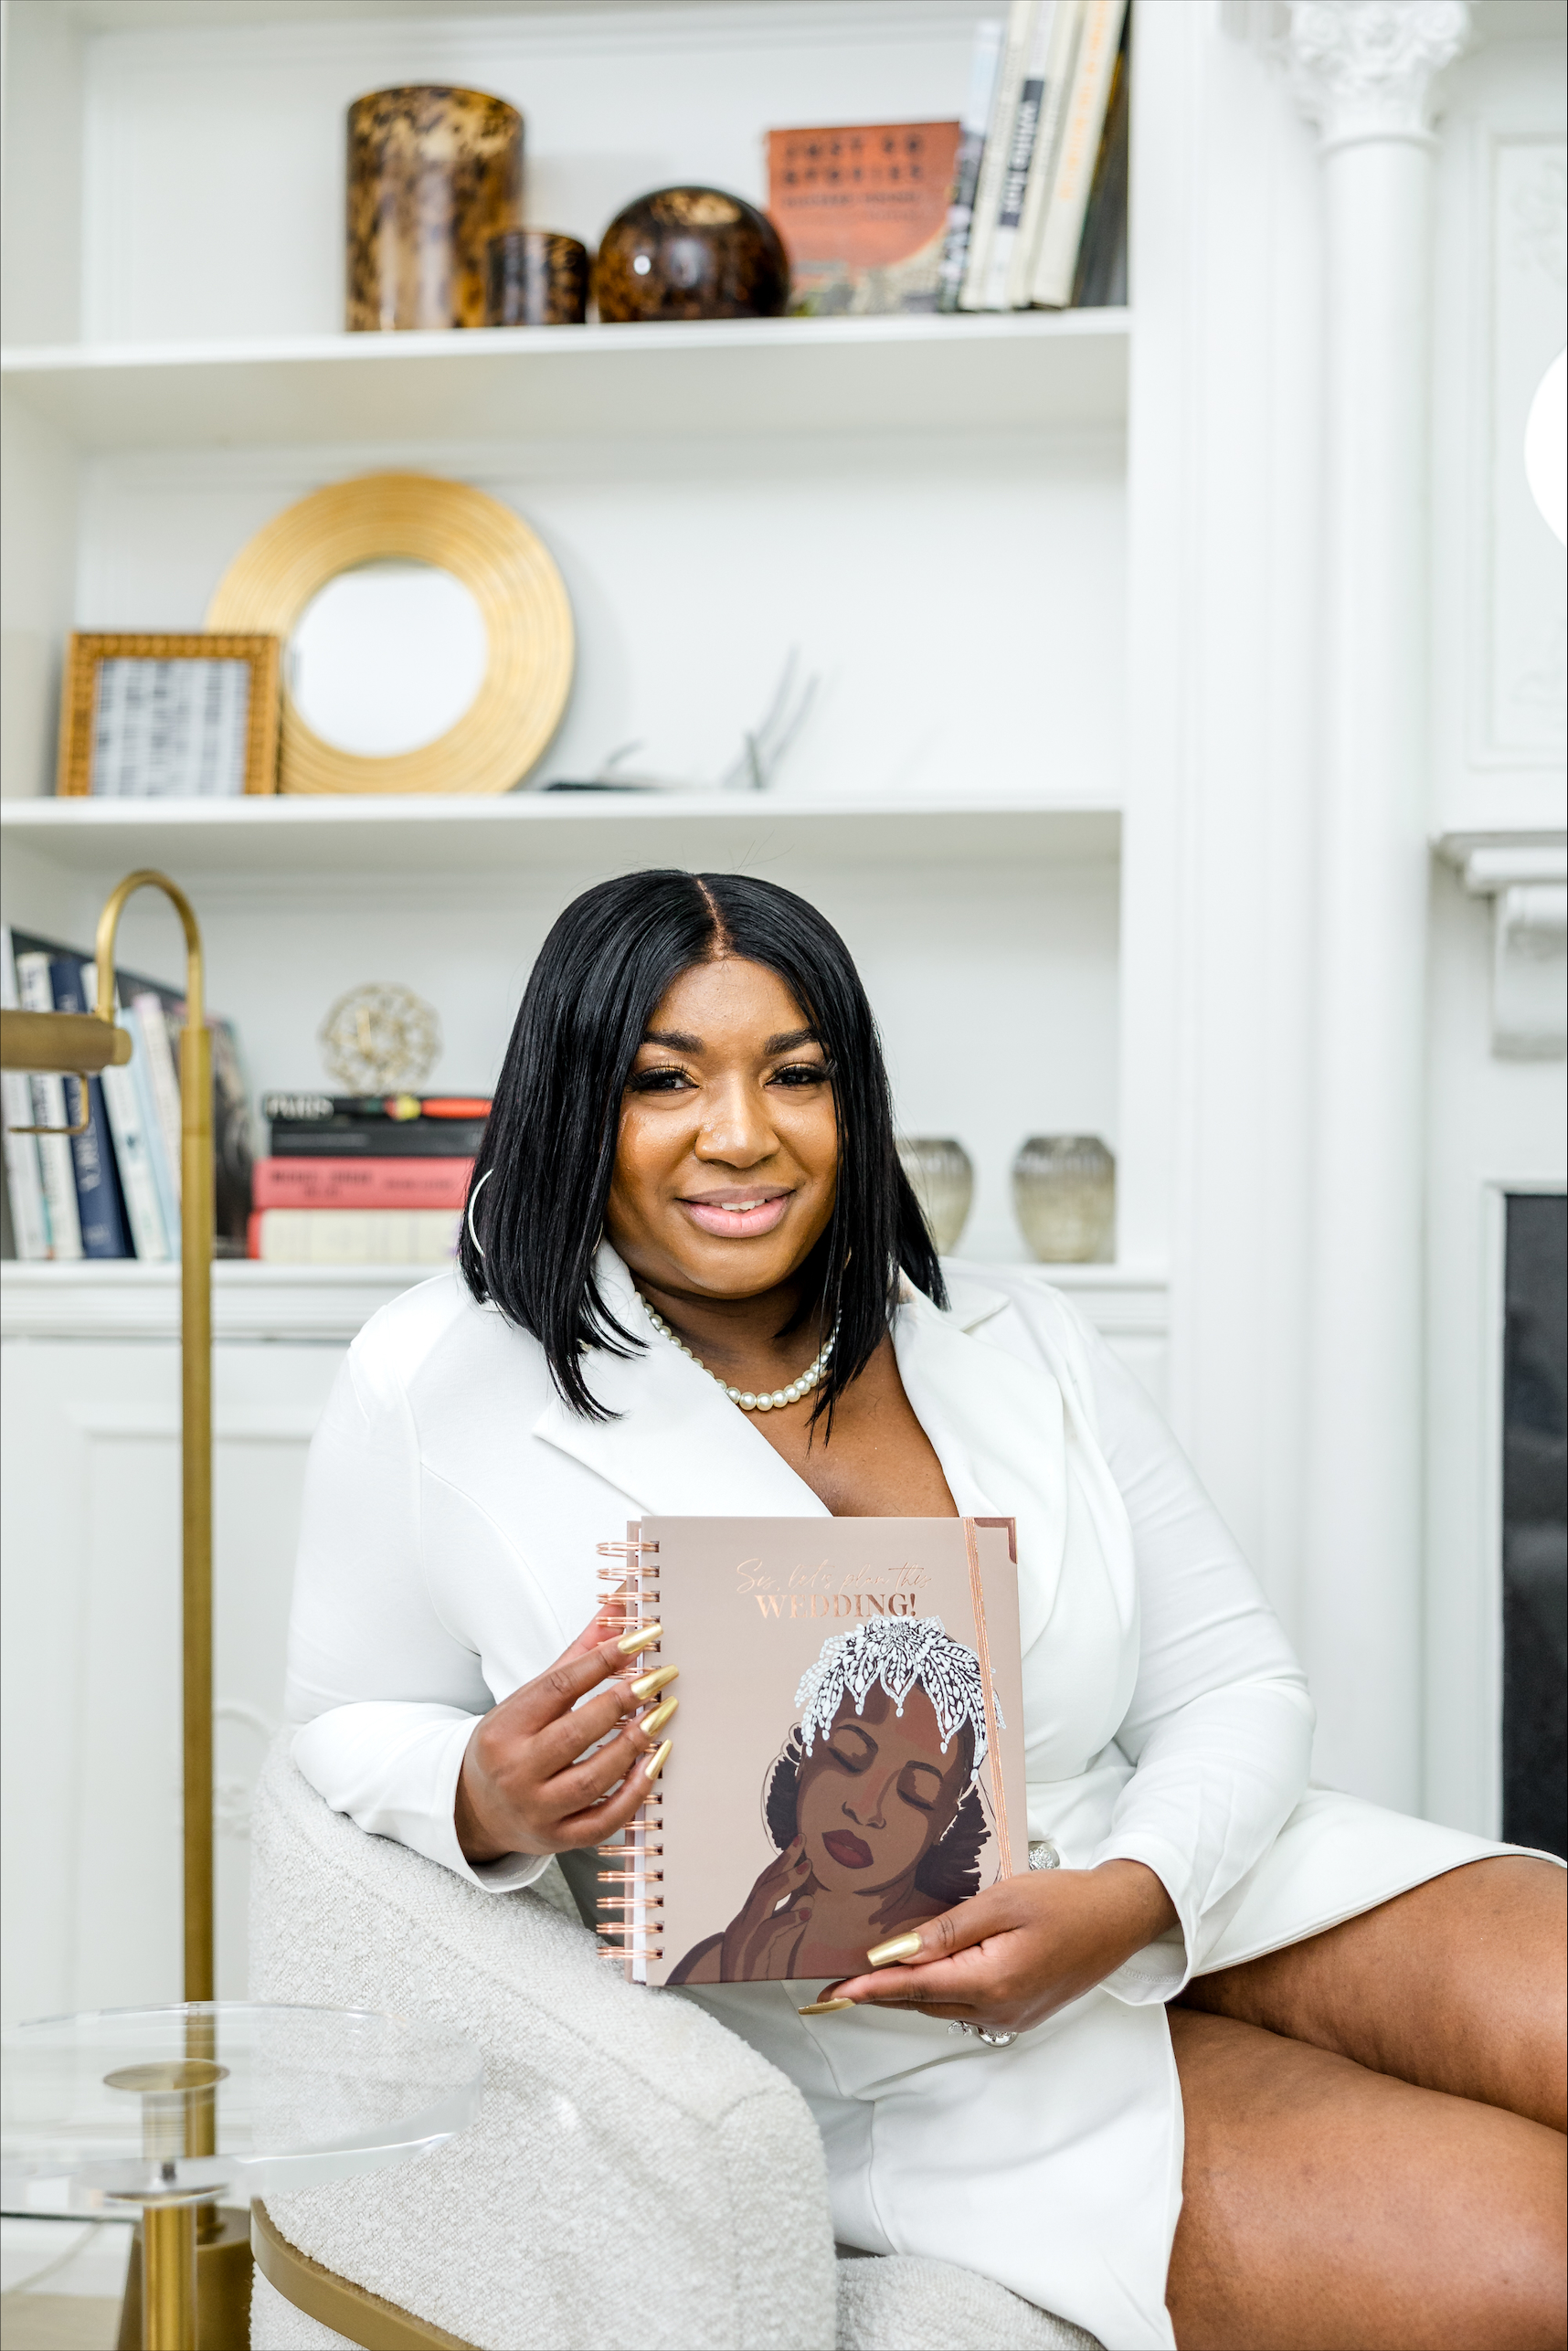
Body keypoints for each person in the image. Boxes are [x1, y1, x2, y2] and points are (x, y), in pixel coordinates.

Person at [287, 869, 1565, 2351]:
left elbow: (1234, 1683)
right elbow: (337, 1721)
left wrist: (1136, 1891)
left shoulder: (1020, 1337)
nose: (742, 1132)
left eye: (796, 1074)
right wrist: (481, 1789)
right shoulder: (436, 1378)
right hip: (910, 2047)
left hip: (1207, 1875)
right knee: (1532, 2261)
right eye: (665, 1080)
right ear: (575, 1101)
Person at [669, 1615, 998, 1984]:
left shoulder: (972, 1957)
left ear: (945, 1821)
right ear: (806, 1755)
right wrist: (738, 1979)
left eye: (916, 1791)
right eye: (849, 1755)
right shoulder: (718, 1962)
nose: (865, 1809)